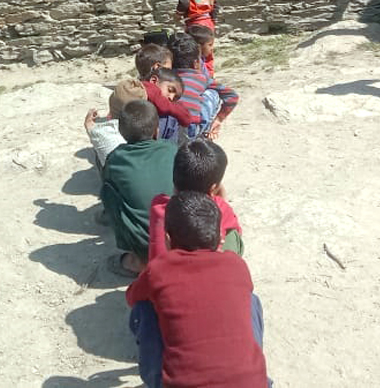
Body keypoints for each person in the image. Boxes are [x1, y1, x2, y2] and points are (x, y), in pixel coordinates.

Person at [126, 192, 269, 388]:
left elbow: (132, 298)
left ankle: (155, 379)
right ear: (220, 237)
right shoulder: (236, 265)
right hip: (254, 385)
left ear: (167, 240)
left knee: (144, 308)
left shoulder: (158, 269)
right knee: (250, 300)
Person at [100, 100, 177, 277]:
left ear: (121, 132)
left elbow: (108, 189)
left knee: (108, 190)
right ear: (157, 129)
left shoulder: (116, 158)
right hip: (179, 237)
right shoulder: (172, 149)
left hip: (145, 244)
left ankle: (139, 262)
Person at [167, 33, 238, 138]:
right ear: (196, 63)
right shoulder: (201, 78)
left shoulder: (164, 77)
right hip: (190, 129)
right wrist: (218, 119)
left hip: (167, 127)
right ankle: (207, 128)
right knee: (213, 93)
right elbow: (232, 96)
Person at [84, 78, 146, 174]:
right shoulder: (147, 129)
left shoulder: (99, 132)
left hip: (115, 180)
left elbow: (90, 127)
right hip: (139, 175)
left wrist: (88, 123)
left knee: (98, 152)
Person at [135, 45, 200, 136]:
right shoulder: (147, 88)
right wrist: (180, 110)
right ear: (157, 67)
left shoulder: (136, 85)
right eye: (168, 69)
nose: (170, 73)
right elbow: (164, 105)